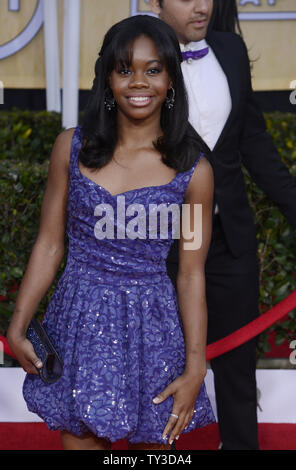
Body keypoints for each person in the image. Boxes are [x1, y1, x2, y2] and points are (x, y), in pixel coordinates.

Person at [6, 15, 216, 451]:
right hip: (79, 319)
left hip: (152, 329)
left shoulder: (194, 172)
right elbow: (49, 243)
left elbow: (192, 273)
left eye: (153, 70)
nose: (139, 82)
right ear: (107, 79)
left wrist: (196, 366)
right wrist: (19, 324)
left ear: (172, 79)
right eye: (125, 70)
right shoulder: (72, 147)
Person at [150, 0, 296, 450]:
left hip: (230, 238)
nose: (201, 5)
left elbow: (253, 139)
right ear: (154, 3)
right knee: (159, 365)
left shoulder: (230, 49)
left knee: (236, 362)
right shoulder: (135, 55)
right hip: (162, 242)